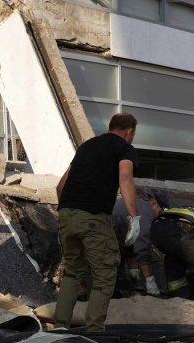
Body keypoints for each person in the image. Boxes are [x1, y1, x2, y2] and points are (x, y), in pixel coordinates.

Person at [54, 113, 141, 331]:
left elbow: (60, 186)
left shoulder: (87, 146)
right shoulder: (124, 148)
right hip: (93, 217)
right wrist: (133, 216)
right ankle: (95, 332)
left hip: (66, 213)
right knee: (105, 274)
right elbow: (125, 178)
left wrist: (68, 212)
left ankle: (60, 327)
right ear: (129, 132)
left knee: (74, 272)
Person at [112, 190, 161, 295]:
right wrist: (150, 280)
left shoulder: (139, 205)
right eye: (160, 212)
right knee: (111, 267)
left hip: (110, 227)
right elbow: (141, 247)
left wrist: (134, 271)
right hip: (106, 228)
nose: (158, 217)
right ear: (154, 204)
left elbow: (129, 244)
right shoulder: (147, 211)